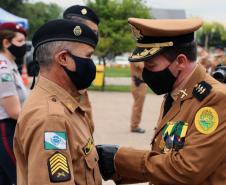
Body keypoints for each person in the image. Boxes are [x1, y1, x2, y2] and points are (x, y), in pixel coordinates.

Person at [96, 18, 226, 185]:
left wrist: (119, 158)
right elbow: (165, 158)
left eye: (151, 65)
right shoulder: (176, 93)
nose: (145, 73)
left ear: (180, 61)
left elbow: (187, 169)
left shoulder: (214, 99)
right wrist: (114, 168)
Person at [13, 19, 102, 185]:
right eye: (88, 56)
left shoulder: (64, 102)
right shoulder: (51, 118)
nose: (91, 64)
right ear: (63, 58)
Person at [63, 5, 100, 133]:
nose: (95, 37)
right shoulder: (63, 73)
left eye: (96, 33)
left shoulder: (79, 70)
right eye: (92, 32)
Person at [0, 22, 28, 185]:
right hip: (6, 129)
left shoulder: (10, 65)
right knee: (21, 178)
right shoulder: (3, 69)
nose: (24, 46)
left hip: (10, 129)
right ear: (6, 43)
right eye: (20, 41)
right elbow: (14, 111)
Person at [130, 62, 147, 133]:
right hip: (139, 84)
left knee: (138, 105)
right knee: (138, 106)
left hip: (140, 83)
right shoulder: (137, 55)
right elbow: (142, 66)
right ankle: (134, 126)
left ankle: (135, 125)